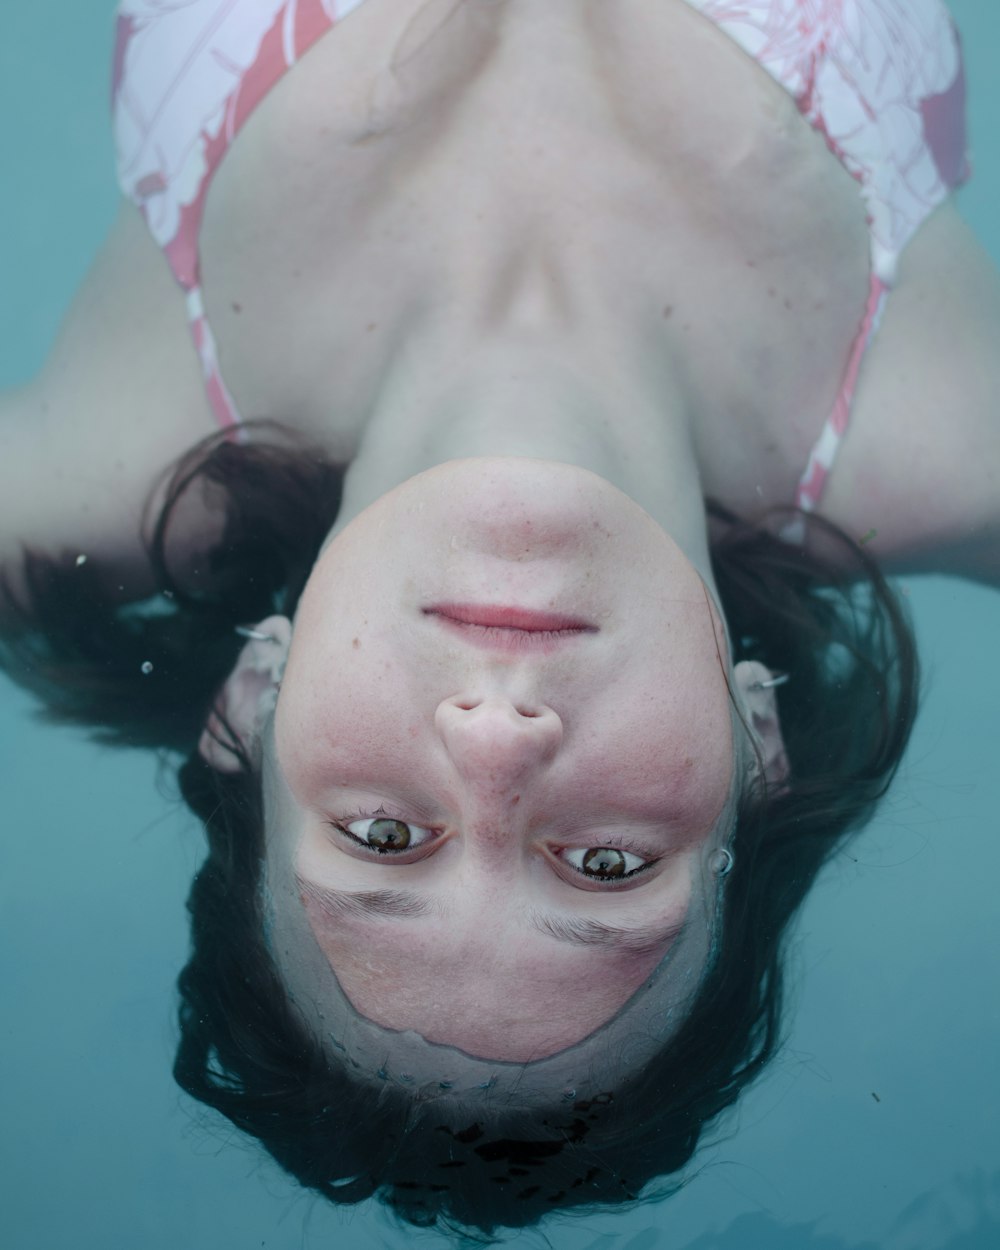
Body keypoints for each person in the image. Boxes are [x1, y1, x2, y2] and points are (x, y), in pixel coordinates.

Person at [0, 0, 997, 1238]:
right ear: (759, 746)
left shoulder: (91, 466)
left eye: (380, 832)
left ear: (254, 699)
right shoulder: (954, 436)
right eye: (606, 864)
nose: (497, 740)